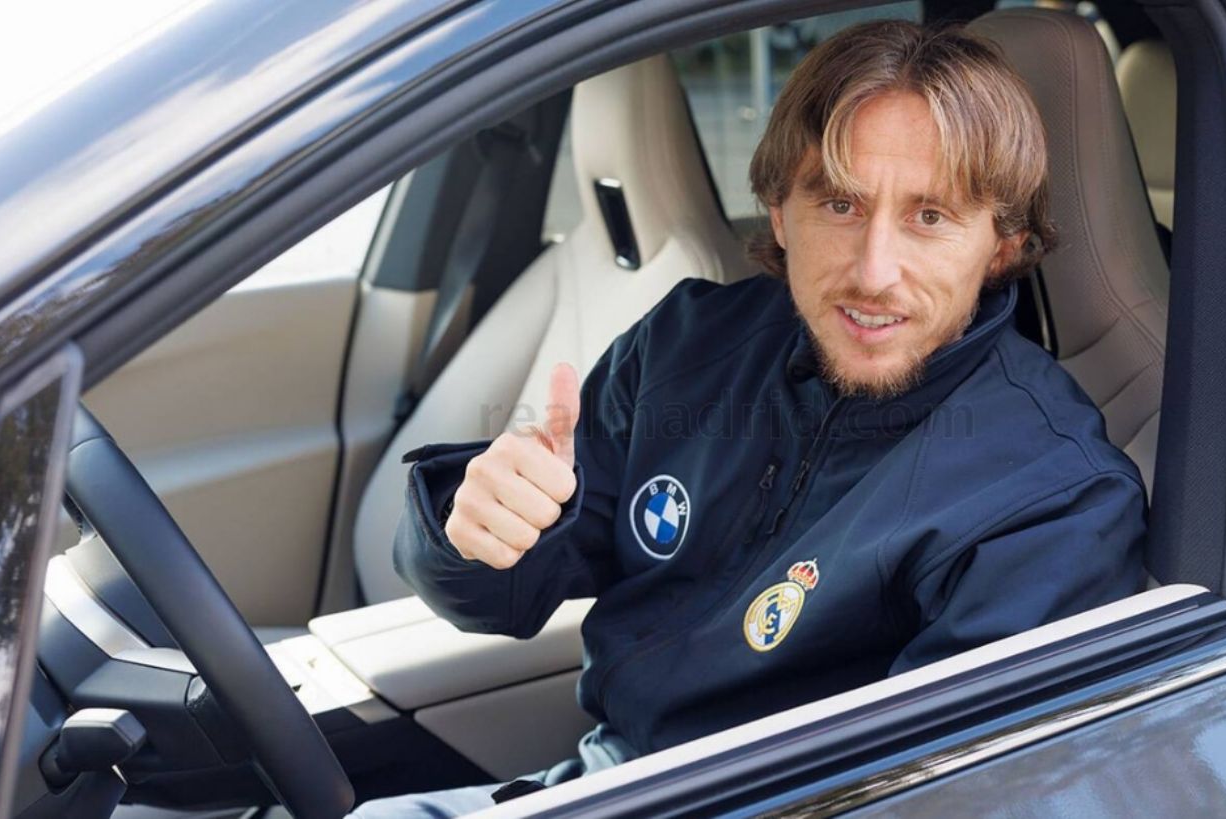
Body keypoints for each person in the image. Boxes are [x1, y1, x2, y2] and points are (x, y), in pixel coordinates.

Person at [349, 18, 1146, 817]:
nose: (875, 272)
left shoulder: (1053, 496)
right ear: (779, 213)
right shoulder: (687, 343)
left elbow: (941, 794)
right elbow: (503, 593)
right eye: (840, 203)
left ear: (1002, 244)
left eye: (930, 216)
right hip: (601, 778)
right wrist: (471, 527)